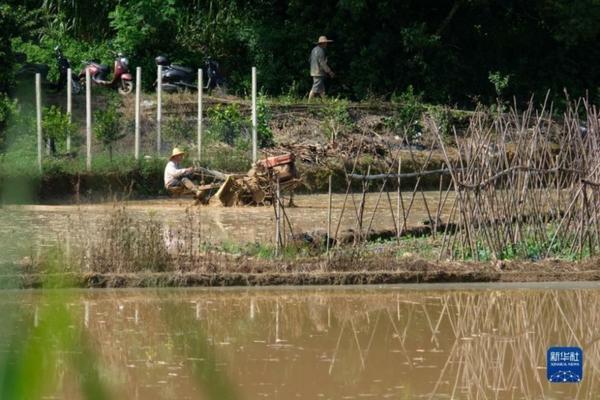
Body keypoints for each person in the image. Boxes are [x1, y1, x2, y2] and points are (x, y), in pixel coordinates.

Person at [308, 35, 335, 100]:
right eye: (325, 43)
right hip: (318, 72)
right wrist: (330, 72)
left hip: (314, 71)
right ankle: (308, 103)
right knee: (315, 88)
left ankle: (325, 102)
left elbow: (309, 60)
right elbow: (322, 63)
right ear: (323, 43)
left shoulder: (314, 49)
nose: (326, 44)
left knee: (321, 89)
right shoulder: (321, 51)